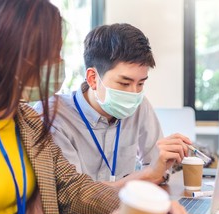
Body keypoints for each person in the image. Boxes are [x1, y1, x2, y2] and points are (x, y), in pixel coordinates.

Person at [0, 0, 199, 214]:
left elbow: (72, 188)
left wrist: (150, 208)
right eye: (50, 54)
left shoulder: (26, 121)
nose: (59, 64)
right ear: (8, 54)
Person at [34, 23, 190, 186]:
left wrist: (164, 162)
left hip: (126, 208)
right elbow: (76, 195)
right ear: (93, 78)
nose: (133, 93)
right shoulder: (55, 116)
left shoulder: (139, 105)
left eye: (141, 83)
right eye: (124, 83)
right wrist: (149, 174)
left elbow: (158, 171)